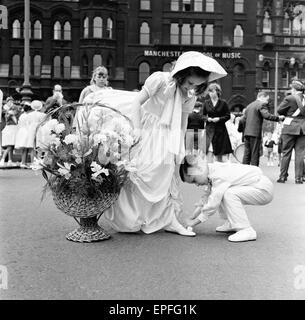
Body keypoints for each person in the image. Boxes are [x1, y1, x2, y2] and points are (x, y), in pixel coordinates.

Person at [103, 51, 227, 236]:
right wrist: (136, 129)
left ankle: (169, 220)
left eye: (197, 85)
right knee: (140, 173)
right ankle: (134, 218)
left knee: (166, 176)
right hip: (146, 129)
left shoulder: (189, 94)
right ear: (182, 73)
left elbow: (184, 120)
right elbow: (138, 102)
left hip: (168, 135)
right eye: (190, 82)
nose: (191, 87)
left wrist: (181, 147)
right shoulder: (160, 79)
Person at [180, 155, 274, 242]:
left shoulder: (218, 176)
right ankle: (232, 222)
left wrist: (193, 222)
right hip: (256, 185)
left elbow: (212, 205)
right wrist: (191, 217)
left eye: (194, 180)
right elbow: (205, 199)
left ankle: (245, 229)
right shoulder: (211, 172)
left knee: (227, 194)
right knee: (219, 193)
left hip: (262, 188)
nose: (196, 185)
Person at [241, 91, 284, 167]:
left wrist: (241, 130)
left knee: (247, 155)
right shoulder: (261, 104)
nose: (267, 102)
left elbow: (242, 120)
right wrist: (278, 118)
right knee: (255, 154)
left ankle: (245, 174)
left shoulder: (249, 106)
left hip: (247, 133)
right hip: (255, 133)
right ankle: (254, 174)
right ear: (262, 97)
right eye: (267, 100)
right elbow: (266, 115)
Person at [276, 79, 305, 184]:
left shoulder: (289, 98)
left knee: (286, 153)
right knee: (300, 154)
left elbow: (279, 110)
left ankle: (283, 177)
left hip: (290, 128)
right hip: (303, 129)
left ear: (294, 89)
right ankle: (299, 178)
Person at [202, 83, 233, 162]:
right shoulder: (206, 103)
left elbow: (228, 116)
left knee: (220, 154)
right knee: (209, 151)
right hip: (209, 130)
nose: (211, 93)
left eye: (212, 91)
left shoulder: (223, 103)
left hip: (220, 131)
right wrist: (207, 119)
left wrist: (219, 119)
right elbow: (202, 116)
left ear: (217, 92)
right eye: (209, 92)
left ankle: (220, 171)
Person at [0, 97, 19, 167]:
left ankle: (9, 160)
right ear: (7, 102)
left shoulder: (9, 111)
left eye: (12, 101)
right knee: (10, 146)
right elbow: (15, 120)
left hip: (11, 128)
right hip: (11, 129)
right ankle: (2, 159)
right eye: (9, 101)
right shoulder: (9, 111)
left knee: (11, 145)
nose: (11, 103)